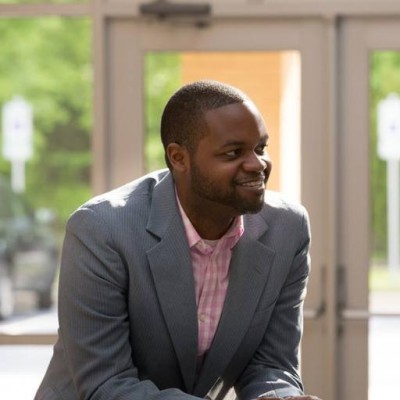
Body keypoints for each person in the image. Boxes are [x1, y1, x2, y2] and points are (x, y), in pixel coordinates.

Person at [35, 80, 321, 400]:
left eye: (260, 148)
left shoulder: (287, 228)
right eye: (233, 152)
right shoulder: (101, 229)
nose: (258, 165)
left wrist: (280, 396)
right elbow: (106, 384)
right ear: (178, 158)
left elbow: (271, 363)